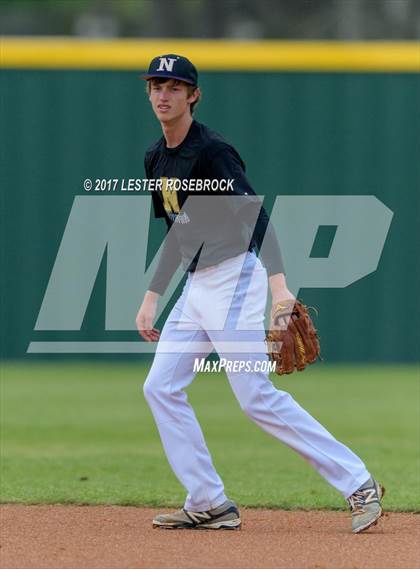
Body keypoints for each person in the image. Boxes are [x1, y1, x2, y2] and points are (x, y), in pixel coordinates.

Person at [136, 53, 384, 533]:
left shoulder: (213, 151)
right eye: (155, 86)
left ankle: (359, 483)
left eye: (173, 86)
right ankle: (208, 501)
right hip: (196, 286)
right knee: (159, 387)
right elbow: (179, 230)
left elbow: (255, 215)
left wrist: (279, 287)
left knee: (255, 397)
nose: (163, 94)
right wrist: (152, 295)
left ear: (193, 95)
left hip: (235, 280)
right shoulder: (156, 157)